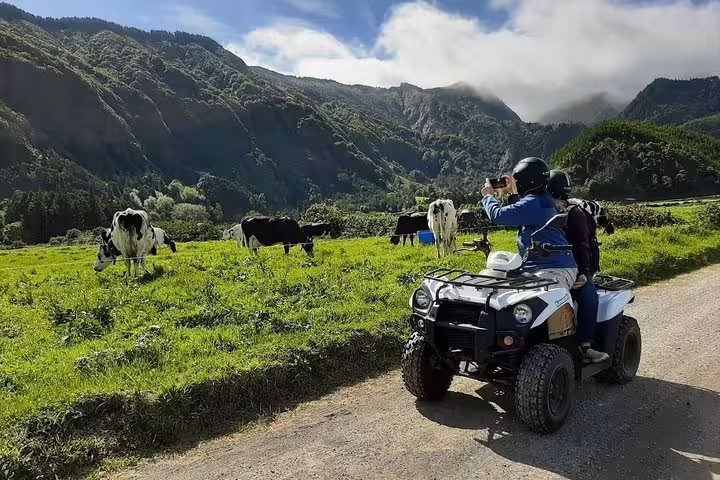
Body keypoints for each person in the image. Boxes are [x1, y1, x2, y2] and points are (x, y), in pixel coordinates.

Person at [481, 157, 577, 291]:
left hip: (553, 269)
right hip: (543, 266)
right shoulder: (542, 198)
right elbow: (522, 212)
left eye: (518, 181)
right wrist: (513, 193)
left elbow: (498, 216)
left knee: (535, 302)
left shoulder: (533, 202)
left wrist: (488, 197)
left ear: (526, 181)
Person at [547, 169, 609, 363]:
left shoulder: (573, 213)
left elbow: (583, 245)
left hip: (573, 267)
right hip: (546, 266)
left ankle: (586, 346)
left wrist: (584, 273)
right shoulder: (541, 210)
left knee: (588, 297)